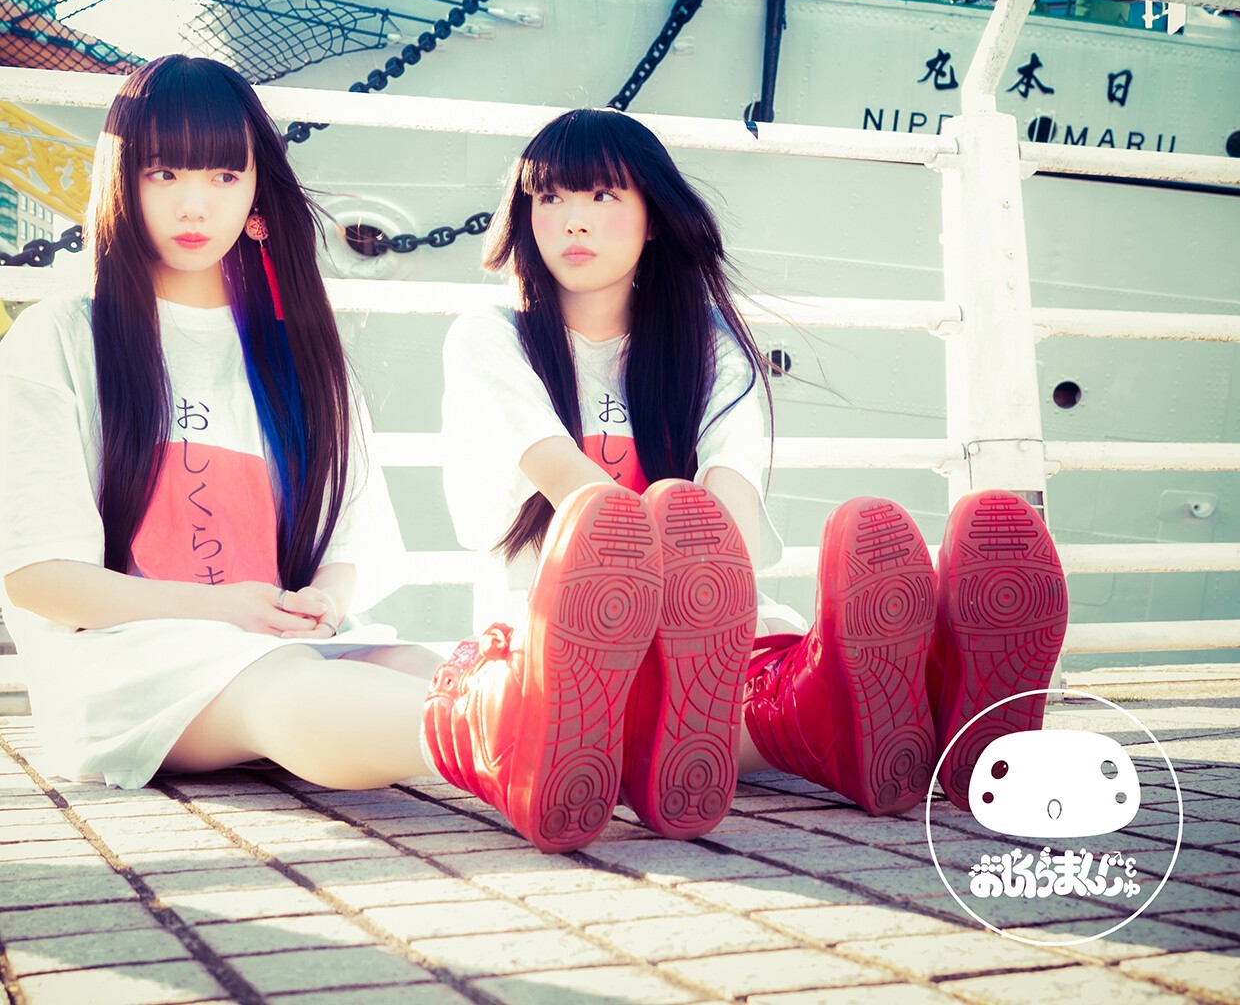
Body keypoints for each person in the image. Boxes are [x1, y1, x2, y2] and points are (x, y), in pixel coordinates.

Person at [0, 58, 664, 857]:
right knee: (287, 688)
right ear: (121, 181)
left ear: (256, 194)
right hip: (123, 662)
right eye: (163, 172)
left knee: (418, 663)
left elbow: (348, 543)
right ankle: (530, 743)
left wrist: (321, 598)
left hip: (268, 637)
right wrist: (227, 610)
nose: (193, 203)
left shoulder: (300, 356)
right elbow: (40, 579)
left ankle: (631, 741)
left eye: (223, 175)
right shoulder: (60, 337)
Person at [434, 107, 1068, 841]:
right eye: (551, 197)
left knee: (731, 665)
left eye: (603, 195)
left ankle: (923, 690)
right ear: (525, 215)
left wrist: (698, 600)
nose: (573, 220)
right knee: (649, 691)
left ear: (654, 218)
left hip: (707, 644)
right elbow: (577, 493)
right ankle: (841, 717)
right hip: (562, 643)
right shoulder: (491, 337)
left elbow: (724, 520)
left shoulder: (709, 345)